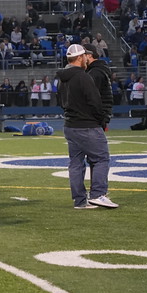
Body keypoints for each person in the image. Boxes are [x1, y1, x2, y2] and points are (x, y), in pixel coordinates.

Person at [56, 44, 117, 210]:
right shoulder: (83, 77)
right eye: (84, 56)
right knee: (101, 158)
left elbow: (60, 101)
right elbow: (95, 101)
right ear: (79, 57)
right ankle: (98, 194)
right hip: (87, 125)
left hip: (70, 125)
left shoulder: (62, 78)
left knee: (75, 163)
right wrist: (101, 119)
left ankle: (80, 201)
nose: (86, 60)